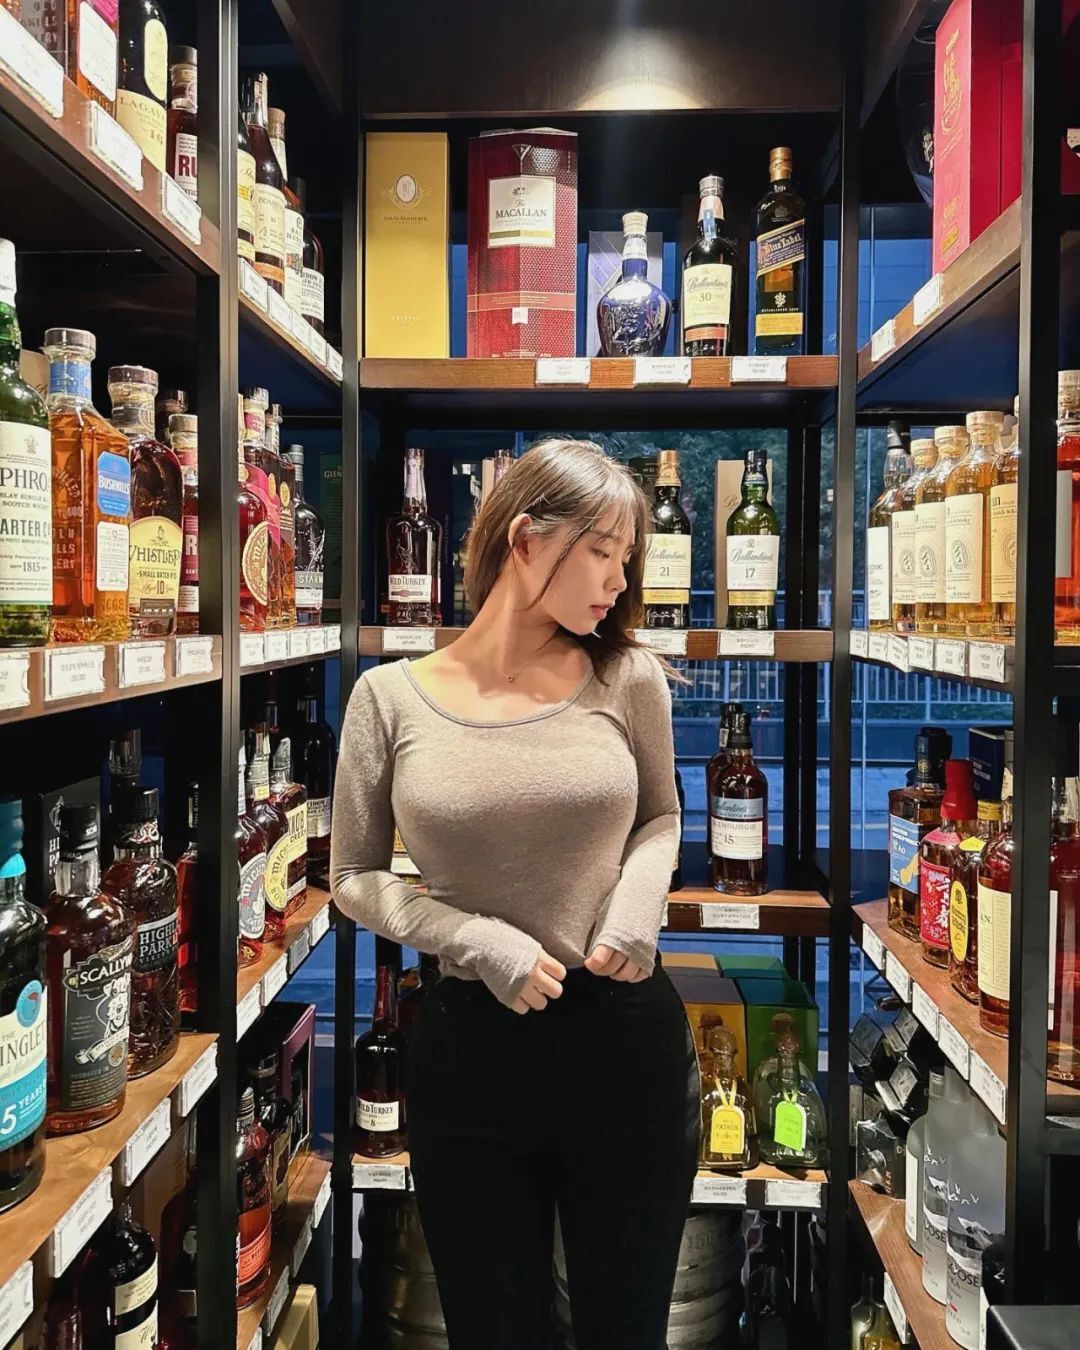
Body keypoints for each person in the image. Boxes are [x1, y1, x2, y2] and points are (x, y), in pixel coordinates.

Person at [331, 438, 699, 1349]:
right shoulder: (389, 698)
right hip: (473, 1056)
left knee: (627, 1335)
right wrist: (476, 940)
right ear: (526, 539)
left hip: (626, 1045)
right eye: (602, 552)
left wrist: (636, 913)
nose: (619, 580)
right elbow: (352, 878)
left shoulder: (627, 676)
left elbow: (661, 817)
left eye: (626, 557)